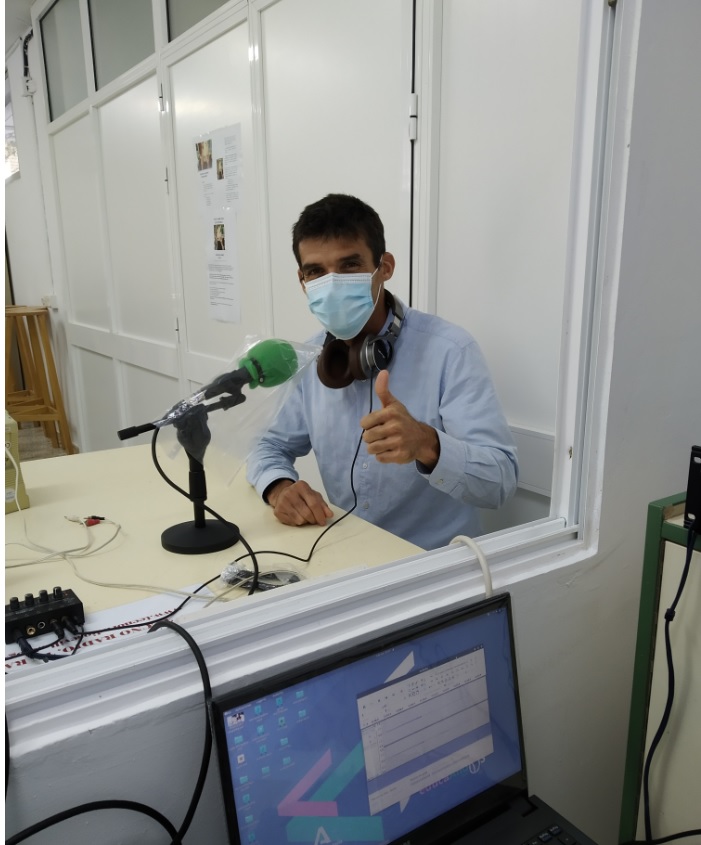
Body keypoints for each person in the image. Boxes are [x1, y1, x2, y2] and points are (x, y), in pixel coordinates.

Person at [246, 194, 518, 550]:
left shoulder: (451, 350)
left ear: (385, 267)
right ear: (302, 281)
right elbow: (268, 445)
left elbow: (500, 480)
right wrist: (279, 487)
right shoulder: (312, 359)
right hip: (345, 555)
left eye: (349, 265)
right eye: (316, 272)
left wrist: (427, 444)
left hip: (433, 561)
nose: (332, 284)